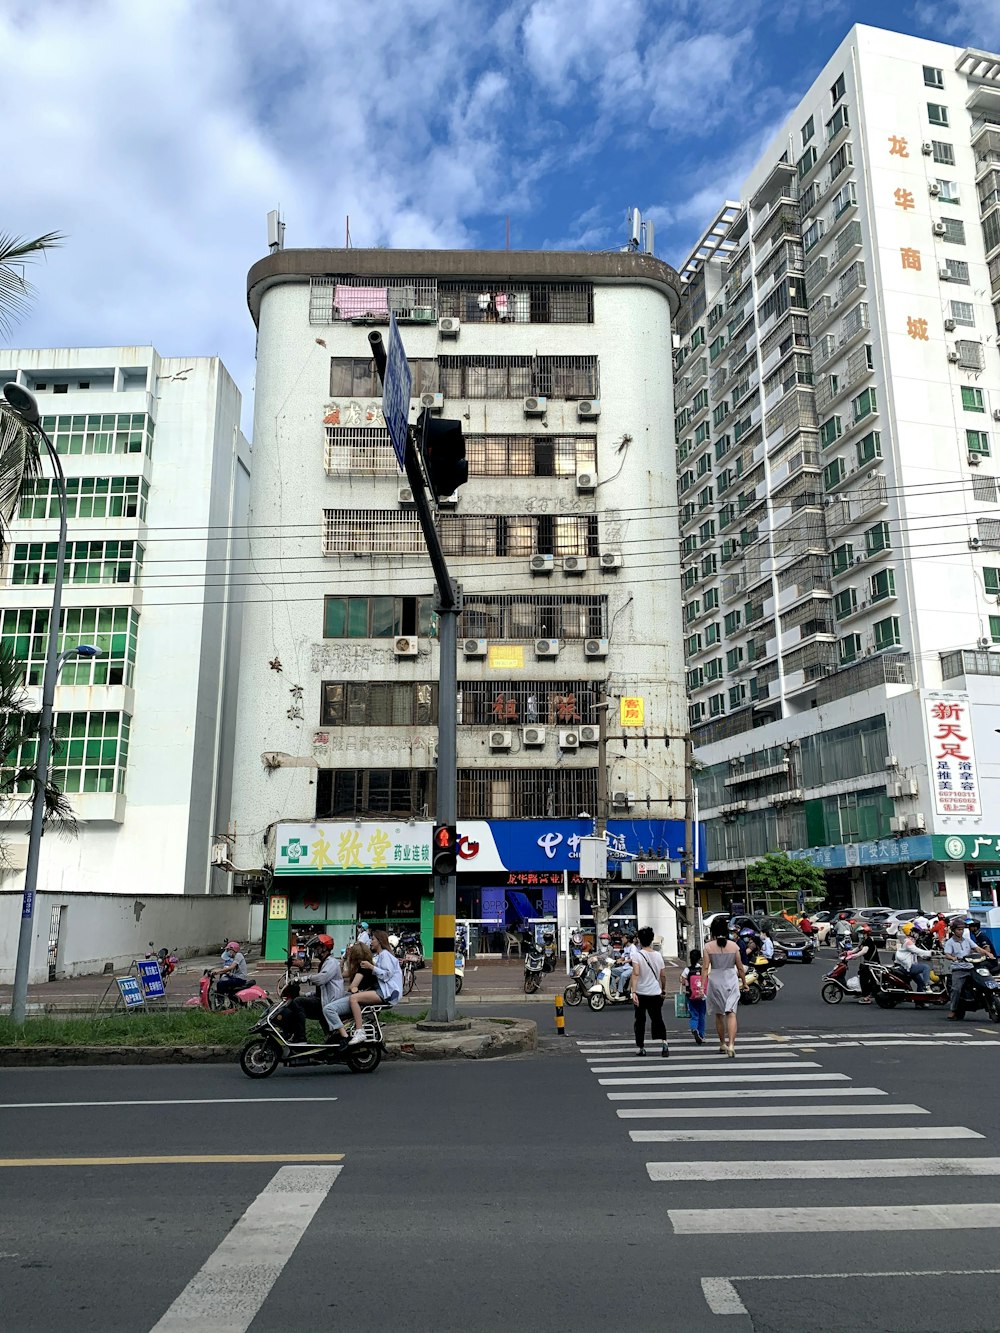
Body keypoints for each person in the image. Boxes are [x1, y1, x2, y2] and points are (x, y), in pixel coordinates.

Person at [348, 928, 404, 1044]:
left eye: (372, 939)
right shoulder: (381, 956)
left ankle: (360, 1031)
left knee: (353, 999)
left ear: (379, 941)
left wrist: (371, 967)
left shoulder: (385, 955)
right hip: (383, 991)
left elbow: (386, 974)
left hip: (386, 993)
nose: (371, 942)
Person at [287, 934, 343, 1044]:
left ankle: (300, 1038)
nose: (315, 950)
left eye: (317, 947)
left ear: (324, 948)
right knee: (297, 1000)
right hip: (323, 1000)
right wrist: (306, 994)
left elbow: (321, 979)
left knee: (298, 1003)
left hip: (330, 1002)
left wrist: (302, 979)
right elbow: (321, 991)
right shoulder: (324, 963)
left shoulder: (331, 962)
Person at [705, 918, 747, 1058]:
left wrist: (701, 986)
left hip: (715, 980)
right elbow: (740, 967)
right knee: (731, 1013)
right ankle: (731, 1045)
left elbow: (705, 968)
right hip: (730, 979)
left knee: (719, 1014)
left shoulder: (708, 947)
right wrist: (745, 983)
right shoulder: (734, 946)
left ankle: (722, 1042)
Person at [630, 926, 669, 1058]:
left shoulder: (637, 955)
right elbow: (663, 975)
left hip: (641, 993)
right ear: (652, 940)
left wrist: (633, 992)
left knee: (640, 1021)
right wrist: (663, 989)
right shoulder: (658, 955)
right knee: (657, 1018)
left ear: (639, 940)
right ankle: (664, 1043)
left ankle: (641, 1047)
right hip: (655, 992)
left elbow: (635, 974)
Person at [321, 942, 372, 1042]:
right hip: (358, 996)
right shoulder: (359, 967)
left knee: (329, 1009)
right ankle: (336, 1031)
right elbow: (339, 974)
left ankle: (343, 1036)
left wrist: (352, 989)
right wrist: (343, 960)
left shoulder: (363, 968)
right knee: (333, 999)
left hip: (360, 999)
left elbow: (353, 987)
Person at [944, 918, 989, 1021]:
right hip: (959, 969)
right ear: (953, 930)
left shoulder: (967, 940)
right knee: (956, 989)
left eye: (962, 929)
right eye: (958, 929)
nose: (961, 931)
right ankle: (953, 1010)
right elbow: (947, 954)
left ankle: (989, 1005)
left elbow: (977, 948)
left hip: (971, 967)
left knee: (984, 983)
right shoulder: (950, 942)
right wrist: (953, 958)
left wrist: (987, 953)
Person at [845, 925, 880, 1003]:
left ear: (866, 933)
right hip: (866, 963)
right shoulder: (863, 940)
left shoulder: (868, 940)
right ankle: (864, 993)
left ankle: (866, 997)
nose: (860, 934)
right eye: (859, 933)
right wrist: (849, 952)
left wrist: (854, 956)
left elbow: (864, 951)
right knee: (864, 977)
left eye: (861, 933)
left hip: (872, 964)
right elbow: (858, 948)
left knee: (865, 979)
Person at [895, 921, 932, 992]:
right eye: (915, 932)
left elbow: (917, 953)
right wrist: (930, 953)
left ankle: (919, 1002)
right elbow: (917, 951)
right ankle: (927, 986)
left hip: (910, 966)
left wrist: (926, 955)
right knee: (926, 967)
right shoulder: (908, 942)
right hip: (908, 967)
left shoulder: (910, 941)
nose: (918, 934)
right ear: (911, 932)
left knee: (920, 983)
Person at [681, 948, 707, 1045]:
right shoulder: (702, 969)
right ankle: (701, 1034)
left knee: (694, 1014)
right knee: (702, 1015)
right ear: (699, 958)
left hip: (691, 995)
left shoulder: (687, 970)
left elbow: (683, 981)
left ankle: (693, 1028)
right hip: (701, 995)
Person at [214, 940, 248, 1006]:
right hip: (236, 977)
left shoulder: (238, 955)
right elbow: (227, 969)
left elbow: (231, 968)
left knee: (220, 984)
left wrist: (218, 971)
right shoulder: (235, 957)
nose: (228, 952)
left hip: (240, 979)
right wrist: (216, 972)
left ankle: (220, 1004)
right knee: (225, 984)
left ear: (233, 950)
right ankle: (232, 1003)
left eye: (229, 950)